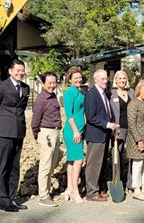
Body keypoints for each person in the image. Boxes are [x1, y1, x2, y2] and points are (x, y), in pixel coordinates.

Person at [0, 59, 30, 212]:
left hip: (19, 132)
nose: (20, 72)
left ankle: (12, 199)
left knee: (15, 166)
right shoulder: (1, 87)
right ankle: (4, 200)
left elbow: (21, 110)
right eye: (17, 70)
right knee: (4, 166)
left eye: (22, 70)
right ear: (10, 71)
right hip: (3, 133)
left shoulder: (26, 88)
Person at [84, 69, 118, 201]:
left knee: (101, 163)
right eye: (102, 79)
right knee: (93, 165)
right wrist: (108, 125)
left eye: (106, 78)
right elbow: (91, 117)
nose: (105, 81)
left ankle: (99, 188)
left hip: (104, 135)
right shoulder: (92, 94)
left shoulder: (104, 94)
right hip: (95, 135)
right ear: (96, 80)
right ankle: (91, 192)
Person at [31, 72, 62, 207]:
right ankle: (43, 196)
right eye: (49, 83)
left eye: (54, 83)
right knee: (45, 165)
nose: (52, 85)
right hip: (46, 133)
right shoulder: (41, 99)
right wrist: (38, 136)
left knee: (51, 164)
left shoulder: (53, 96)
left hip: (55, 132)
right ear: (43, 84)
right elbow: (35, 121)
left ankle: (47, 192)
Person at [126, 80, 144, 201]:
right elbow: (131, 124)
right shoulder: (133, 104)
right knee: (137, 165)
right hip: (137, 139)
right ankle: (136, 189)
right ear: (139, 90)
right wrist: (139, 140)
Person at [62, 67, 85, 204]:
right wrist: (76, 131)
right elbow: (69, 114)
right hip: (72, 131)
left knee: (71, 161)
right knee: (78, 160)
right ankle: (75, 191)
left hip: (79, 130)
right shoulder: (70, 92)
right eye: (75, 78)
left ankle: (69, 188)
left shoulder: (79, 91)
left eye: (79, 77)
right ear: (69, 80)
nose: (78, 79)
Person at [110, 70, 135, 191]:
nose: (122, 81)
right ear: (115, 80)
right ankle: (117, 182)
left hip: (132, 128)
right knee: (116, 155)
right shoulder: (111, 94)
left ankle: (131, 183)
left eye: (124, 78)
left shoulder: (132, 92)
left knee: (132, 155)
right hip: (118, 129)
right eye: (119, 79)